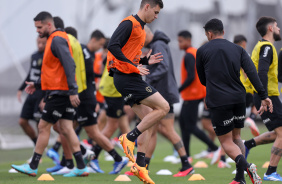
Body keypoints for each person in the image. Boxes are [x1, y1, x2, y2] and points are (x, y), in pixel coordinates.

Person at [11, 11, 88, 177]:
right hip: (63, 91)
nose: (37, 31)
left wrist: (73, 90)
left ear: (48, 24)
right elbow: (55, 70)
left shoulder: (57, 39)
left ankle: (32, 165)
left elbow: (69, 64)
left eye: (39, 27)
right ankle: (81, 166)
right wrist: (38, 84)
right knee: (67, 128)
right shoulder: (55, 40)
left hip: (60, 93)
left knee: (43, 126)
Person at [196, 18, 272, 184]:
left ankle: (247, 166)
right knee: (237, 137)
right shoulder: (238, 49)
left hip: (218, 101)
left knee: (226, 141)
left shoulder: (202, 51)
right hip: (239, 99)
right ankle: (239, 178)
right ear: (223, 32)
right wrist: (263, 95)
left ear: (209, 34)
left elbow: (203, 80)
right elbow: (252, 72)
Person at [107, 0, 166, 183]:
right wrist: (134, 66)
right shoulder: (129, 23)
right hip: (125, 78)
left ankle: (140, 167)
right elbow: (113, 46)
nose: (156, 17)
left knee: (147, 118)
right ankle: (129, 137)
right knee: (164, 107)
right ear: (146, 6)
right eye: (155, 12)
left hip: (129, 77)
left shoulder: (140, 28)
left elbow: (130, 54)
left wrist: (146, 61)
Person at [139, 26, 194, 177]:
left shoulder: (158, 44)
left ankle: (186, 164)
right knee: (153, 130)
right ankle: (144, 167)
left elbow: (163, 67)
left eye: (140, 39)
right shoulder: (157, 44)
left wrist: (148, 80)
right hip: (162, 93)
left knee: (166, 130)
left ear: (147, 35)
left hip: (164, 94)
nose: (140, 42)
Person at [177, 30, 221, 165]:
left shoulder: (190, 54)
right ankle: (187, 156)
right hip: (193, 95)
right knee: (183, 124)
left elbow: (191, 76)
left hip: (193, 95)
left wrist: (178, 89)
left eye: (180, 41)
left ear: (188, 40)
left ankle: (215, 148)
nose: (179, 44)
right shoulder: (194, 53)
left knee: (189, 126)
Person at [250, 16, 282, 181]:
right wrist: (264, 97)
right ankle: (270, 172)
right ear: (270, 28)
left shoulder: (262, 46)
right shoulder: (267, 47)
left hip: (268, 96)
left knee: (278, 133)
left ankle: (246, 146)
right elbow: (262, 71)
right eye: (276, 26)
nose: (278, 29)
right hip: (268, 97)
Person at [17, 36, 46, 152]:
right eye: (38, 42)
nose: (40, 45)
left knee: (40, 124)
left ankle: (38, 155)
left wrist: (45, 97)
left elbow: (49, 77)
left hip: (41, 93)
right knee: (22, 121)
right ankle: (36, 144)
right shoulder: (34, 56)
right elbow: (31, 73)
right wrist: (21, 88)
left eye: (43, 43)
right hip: (32, 92)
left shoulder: (48, 55)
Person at [234, 34, 260, 136]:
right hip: (246, 89)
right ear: (244, 43)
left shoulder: (230, 54)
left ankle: (224, 149)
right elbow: (246, 72)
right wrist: (254, 87)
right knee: (257, 101)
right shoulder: (243, 54)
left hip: (234, 90)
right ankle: (252, 118)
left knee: (234, 124)